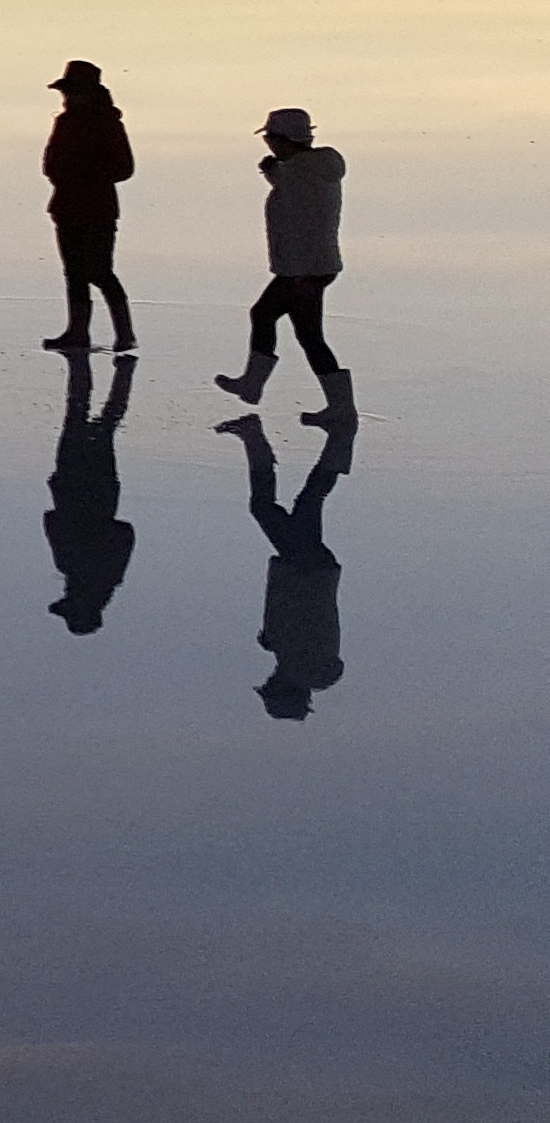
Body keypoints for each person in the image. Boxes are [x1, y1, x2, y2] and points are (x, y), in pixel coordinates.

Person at [213, 107, 348, 412]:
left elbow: (302, 217)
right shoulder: (312, 169)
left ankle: (254, 385)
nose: (269, 145)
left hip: (303, 270)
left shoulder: (300, 173)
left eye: (271, 138)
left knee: (267, 316)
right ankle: (338, 407)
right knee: (307, 335)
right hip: (315, 266)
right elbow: (297, 196)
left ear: (284, 139)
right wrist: (275, 173)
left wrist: (301, 275)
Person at [222, 404, 351, 720]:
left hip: (317, 570)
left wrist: (273, 642)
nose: (268, 679)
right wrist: (274, 641)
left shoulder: (304, 662)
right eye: (270, 685)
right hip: (304, 568)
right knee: (267, 507)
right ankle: (257, 436)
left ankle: (333, 443)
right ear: (282, 687)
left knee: (305, 501)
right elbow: (294, 616)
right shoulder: (296, 660)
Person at [40, 60, 137, 353]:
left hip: (97, 210)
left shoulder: (109, 124)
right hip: (67, 208)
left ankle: (125, 333)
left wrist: (86, 174)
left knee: (101, 271)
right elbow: (50, 163)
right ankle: (77, 332)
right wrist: (63, 174)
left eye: (71, 91)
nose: (67, 97)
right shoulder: (65, 122)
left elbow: (124, 168)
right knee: (74, 273)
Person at [42, 349, 135, 636]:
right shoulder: (70, 563)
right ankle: (86, 364)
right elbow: (50, 520)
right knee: (79, 414)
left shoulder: (109, 574)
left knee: (104, 425)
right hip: (72, 486)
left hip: (102, 492)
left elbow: (125, 532)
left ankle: (122, 371)